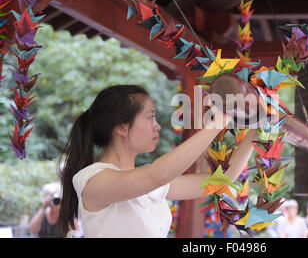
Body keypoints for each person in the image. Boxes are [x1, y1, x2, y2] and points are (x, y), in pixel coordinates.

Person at [58, 85, 258, 237]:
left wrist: (258, 128)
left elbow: (220, 181)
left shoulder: (149, 184)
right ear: (122, 128)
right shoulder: (92, 180)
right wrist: (217, 124)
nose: (157, 126)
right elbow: (156, 175)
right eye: (150, 117)